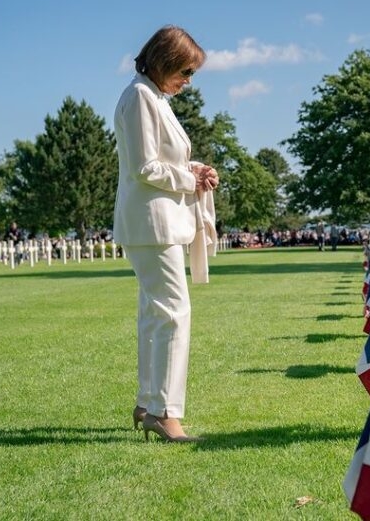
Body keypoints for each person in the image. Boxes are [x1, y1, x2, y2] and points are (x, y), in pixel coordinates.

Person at [114, 25, 219, 443]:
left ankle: (148, 402)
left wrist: (195, 171)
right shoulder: (140, 96)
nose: (188, 82)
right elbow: (144, 167)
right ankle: (164, 411)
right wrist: (186, 179)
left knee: (156, 315)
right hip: (152, 223)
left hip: (158, 221)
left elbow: (161, 162)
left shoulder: (153, 97)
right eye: (185, 72)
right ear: (164, 62)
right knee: (174, 313)